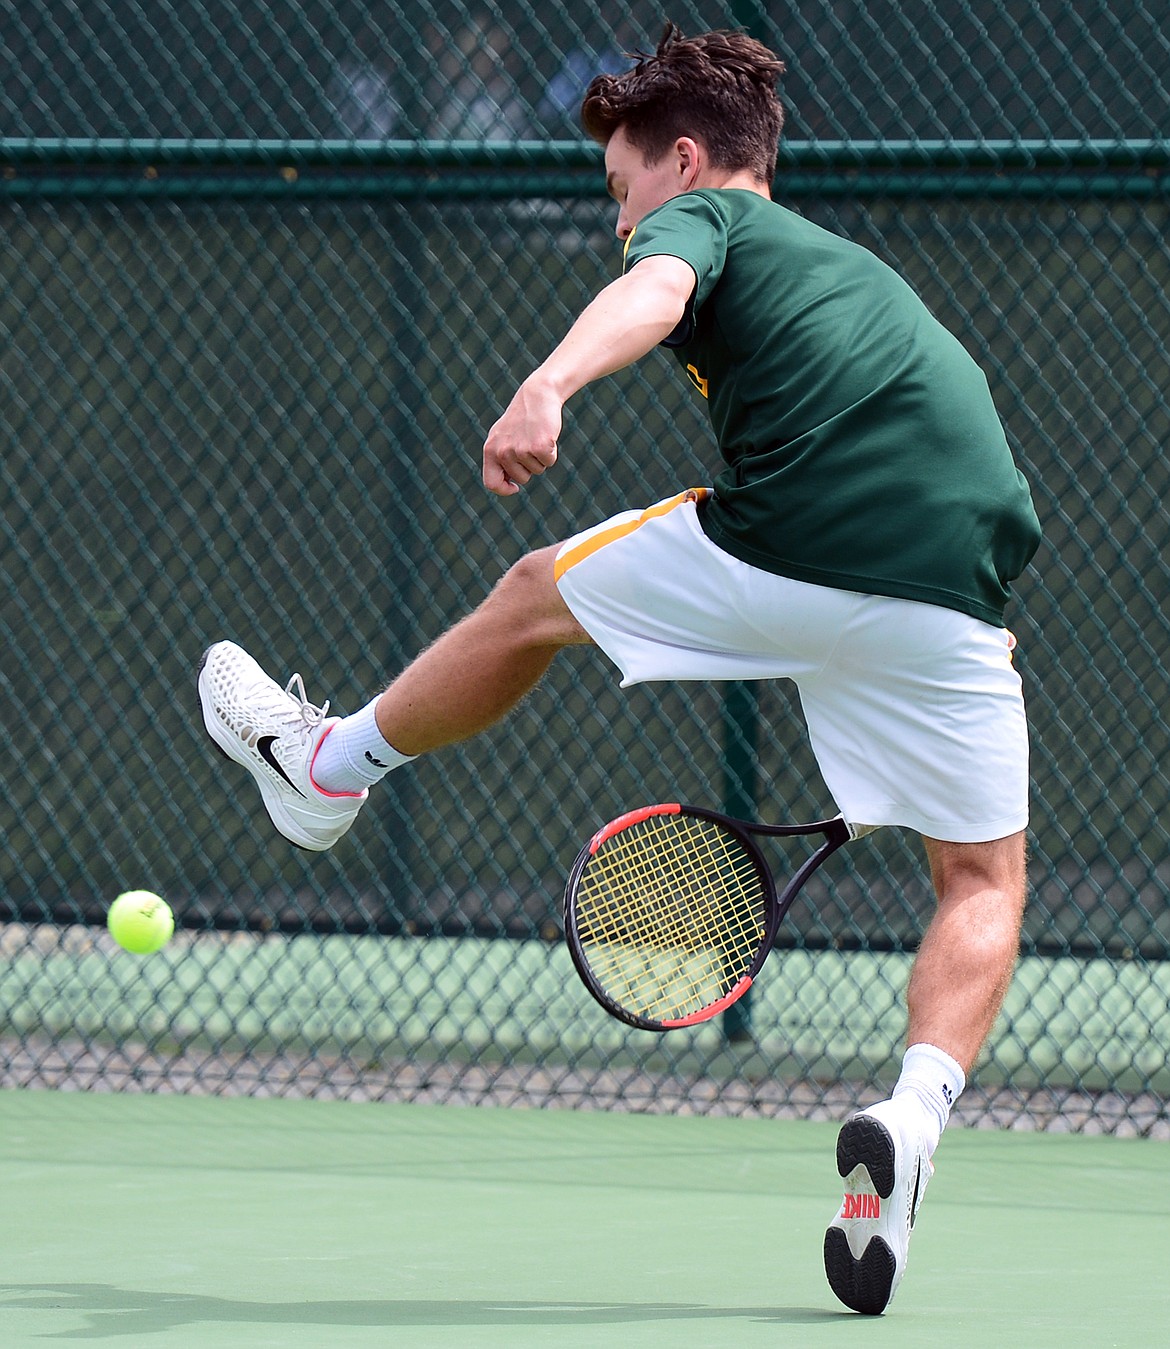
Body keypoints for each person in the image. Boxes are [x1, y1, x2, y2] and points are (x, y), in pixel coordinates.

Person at [198, 24, 1041, 1315]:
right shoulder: (860, 277)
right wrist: (956, 607)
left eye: (619, 189)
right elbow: (972, 475)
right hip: (958, 583)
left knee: (537, 592)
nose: (619, 221)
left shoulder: (710, 223)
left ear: (688, 162)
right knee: (980, 877)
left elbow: (650, 295)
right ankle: (913, 1116)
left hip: (806, 532)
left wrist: (547, 382)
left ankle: (324, 769)